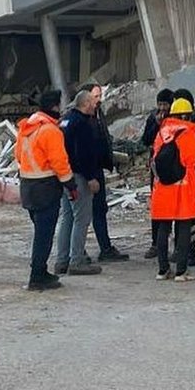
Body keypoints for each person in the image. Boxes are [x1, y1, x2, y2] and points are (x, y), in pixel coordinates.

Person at [14, 90, 77, 291]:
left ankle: (39, 271)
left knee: (40, 232)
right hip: (46, 188)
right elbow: (60, 162)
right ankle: (38, 275)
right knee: (44, 235)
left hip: (28, 187)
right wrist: (71, 185)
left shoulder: (26, 129)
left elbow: (18, 156)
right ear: (55, 107)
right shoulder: (50, 131)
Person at [150, 96, 195, 282]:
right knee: (183, 227)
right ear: (187, 115)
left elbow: (154, 158)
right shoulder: (190, 133)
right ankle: (181, 271)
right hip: (184, 187)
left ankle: (162, 269)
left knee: (163, 228)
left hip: (162, 187)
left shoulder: (162, 132)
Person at [54, 90, 103, 276]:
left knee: (67, 217)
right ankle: (76, 261)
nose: (95, 104)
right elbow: (83, 154)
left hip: (65, 175)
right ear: (85, 103)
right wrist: (91, 177)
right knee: (81, 219)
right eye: (92, 101)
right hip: (79, 177)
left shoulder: (66, 121)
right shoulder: (82, 124)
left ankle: (62, 260)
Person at [81, 82, 130, 263]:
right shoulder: (81, 118)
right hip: (87, 172)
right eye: (96, 96)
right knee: (82, 214)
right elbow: (81, 150)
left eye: (100, 96)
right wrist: (88, 176)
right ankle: (77, 251)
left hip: (97, 168)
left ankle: (105, 248)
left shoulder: (97, 114)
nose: (99, 100)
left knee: (100, 209)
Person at [142, 88, 174, 259]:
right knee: (158, 205)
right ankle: (156, 243)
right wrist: (155, 124)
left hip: (175, 169)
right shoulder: (153, 118)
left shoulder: (177, 118)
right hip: (157, 169)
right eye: (160, 104)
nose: (162, 108)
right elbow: (145, 140)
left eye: (165, 104)